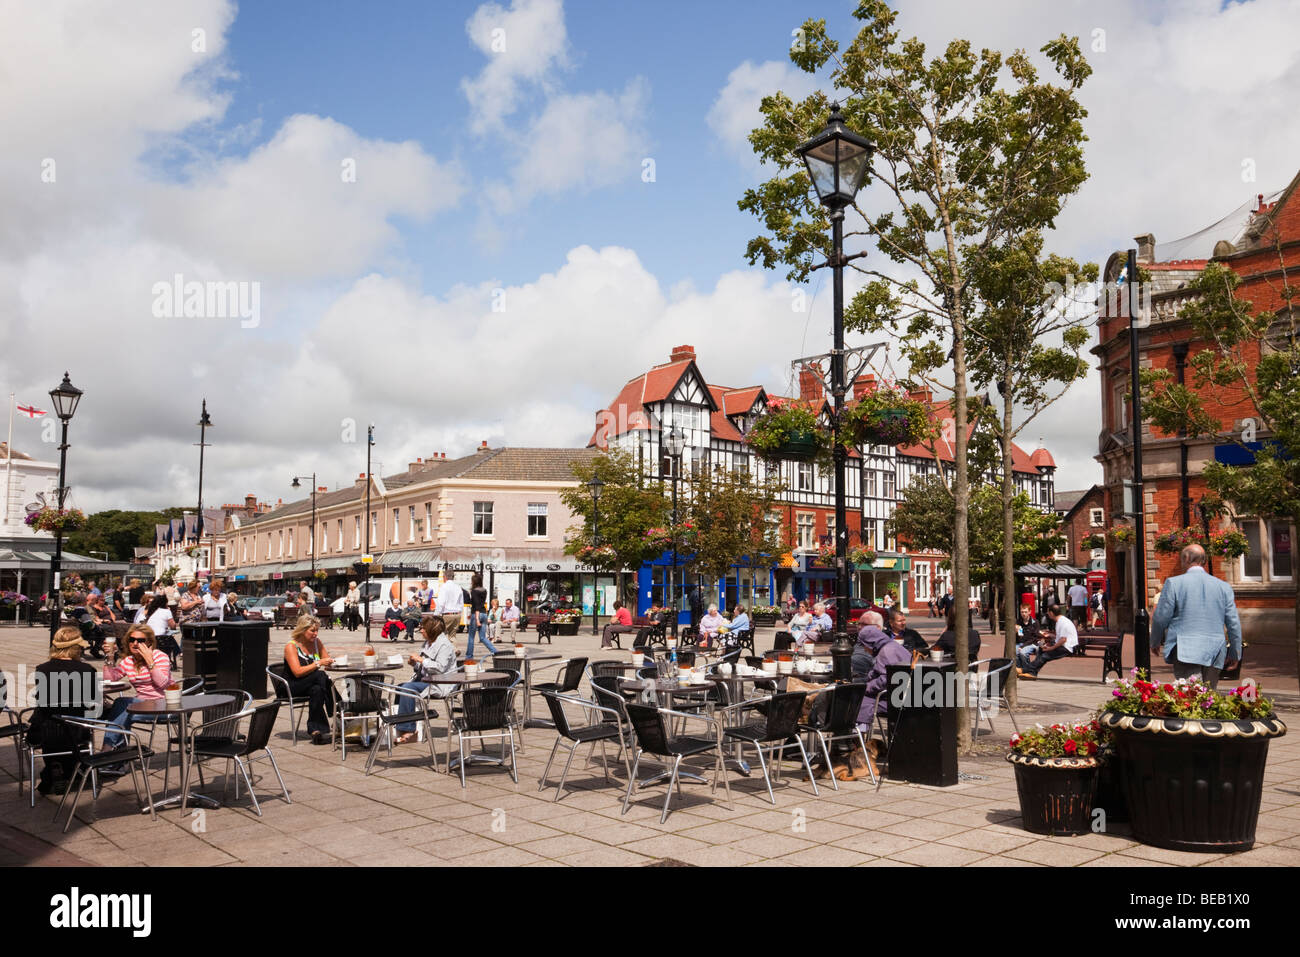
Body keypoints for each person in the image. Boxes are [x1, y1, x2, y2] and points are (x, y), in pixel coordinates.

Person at [1150, 543, 1242, 690]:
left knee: (1189, 698)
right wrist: (1235, 652)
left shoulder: (1174, 583)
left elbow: (1160, 617)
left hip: (1185, 649)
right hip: (1215, 650)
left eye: (1181, 559)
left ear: (1186, 558)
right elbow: (1233, 623)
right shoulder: (1223, 587)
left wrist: (1155, 640)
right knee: (1209, 698)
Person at [27, 627, 97, 795]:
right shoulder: (86, 669)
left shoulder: (42, 669)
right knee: (83, 725)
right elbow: (92, 703)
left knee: (49, 725)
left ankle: (53, 767)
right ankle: (69, 769)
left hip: (46, 730)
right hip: (76, 729)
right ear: (76, 648)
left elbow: (43, 701)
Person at [103, 623, 172, 749]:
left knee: (122, 707)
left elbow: (162, 684)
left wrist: (149, 660)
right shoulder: (129, 661)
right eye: (132, 639)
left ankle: (107, 752)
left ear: (149, 643)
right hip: (142, 704)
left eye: (140, 640)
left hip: (163, 705)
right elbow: (110, 678)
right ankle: (116, 759)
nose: (135, 643)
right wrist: (110, 656)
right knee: (122, 708)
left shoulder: (160, 657)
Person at [394, 617, 456, 742]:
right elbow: (422, 667)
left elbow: (440, 668)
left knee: (407, 688)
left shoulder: (444, 645)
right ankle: (399, 726)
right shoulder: (427, 642)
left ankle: (409, 730)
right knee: (399, 687)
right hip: (426, 679)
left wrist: (421, 660)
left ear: (431, 630)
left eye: (423, 628)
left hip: (440, 683)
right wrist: (414, 664)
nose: (420, 630)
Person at [283, 616, 335, 744]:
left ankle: (315, 730)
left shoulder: (317, 643)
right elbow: (297, 672)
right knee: (320, 675)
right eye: (312, 631)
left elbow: (326, 660)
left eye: (317, 630)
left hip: (311, 684)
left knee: (317, 689)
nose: (315, 634)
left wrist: (330, 662)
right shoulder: (291, 646)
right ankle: (336, 709)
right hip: (292, 686)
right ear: (302, 630)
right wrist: (318, 663)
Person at [1017, 604, 1079, 679]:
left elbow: (1063, 640)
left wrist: (1051, 648)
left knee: (1044, 656)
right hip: (1062, 644)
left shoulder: (1063, 622)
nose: (1047, 614)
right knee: (1041, 648)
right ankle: (1032, 673)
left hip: (1068, 648)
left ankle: (1024, 670)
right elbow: (1060, 637)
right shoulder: (1060, 621)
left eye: (1048, 612)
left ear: (1052, 613)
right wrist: (1050, 635)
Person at [463, 572, 497, 658]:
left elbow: (477, 604)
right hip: (484, 614)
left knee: (471, 637)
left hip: (477, 614)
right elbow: (480, 603)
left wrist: (477, 618)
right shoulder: (484, 590)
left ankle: (469, 656)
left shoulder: (474, 591)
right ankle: (494, 651)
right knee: (482, 637)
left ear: (474, 582)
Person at [142, 594, 180, 667]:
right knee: (171, 639)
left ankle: (178, 652)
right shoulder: (166, 611)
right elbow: (173, 625)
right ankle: (178, 653)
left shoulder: (152, 611)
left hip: (150, 638)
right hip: (161, 639)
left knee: (170, 639)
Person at [434, 575, 465, 640]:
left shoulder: (444, 587)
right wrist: (460, 613)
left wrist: (436, 614)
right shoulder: (458, 587)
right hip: (457, 614)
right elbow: (461, 602)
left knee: (440, 635)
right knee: (452, 637)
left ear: (445, 577)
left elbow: (441, 602)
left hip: (447, 615)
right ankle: (455, 650)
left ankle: (443, 649)